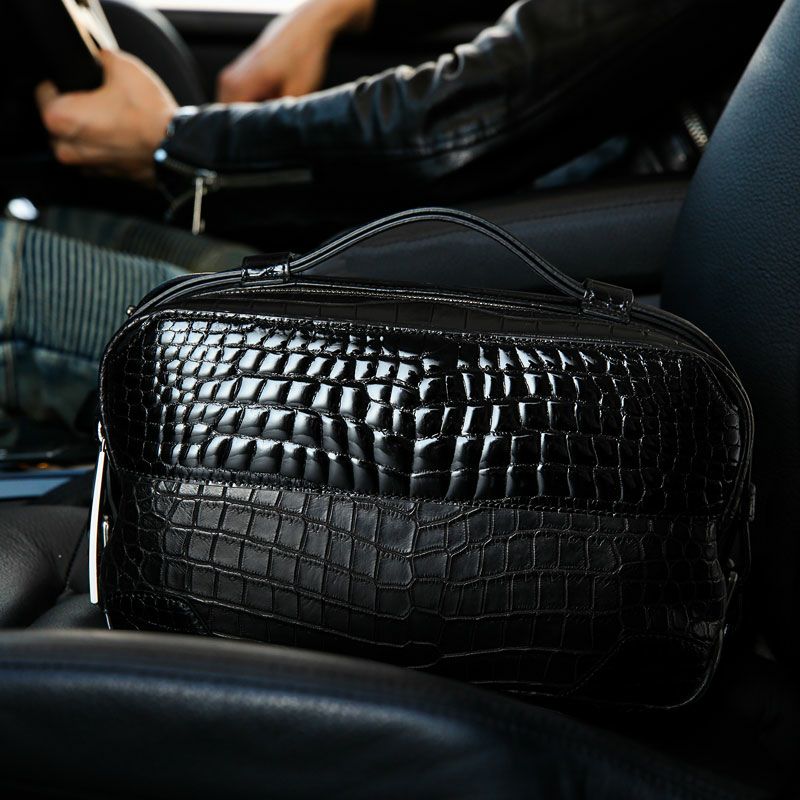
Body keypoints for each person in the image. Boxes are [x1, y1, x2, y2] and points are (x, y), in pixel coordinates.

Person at [0, 0, 757, 439]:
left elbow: (459, 120)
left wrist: (176, 143)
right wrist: (336, 9)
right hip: (470, 246)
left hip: (498, 311)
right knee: (54, 230)